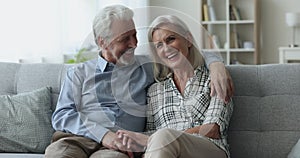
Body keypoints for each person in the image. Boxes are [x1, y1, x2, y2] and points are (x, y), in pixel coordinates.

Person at [45, 5, 233, 158]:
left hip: (117, 149)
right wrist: (105, 135)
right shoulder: (78, 73)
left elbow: (187, 54)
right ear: (103, 42)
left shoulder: (147, 67)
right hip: (77, 138)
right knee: (59, 154)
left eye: (134, 35)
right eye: (125, 39)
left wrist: (216, 64)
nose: (134, 44)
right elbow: (62, 115)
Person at [117, 15, 234, 158]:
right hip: (167, 152)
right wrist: (132, 139)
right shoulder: (155, 91)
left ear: (188, 39)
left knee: (163, 136)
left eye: (171, 39)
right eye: (159, 45)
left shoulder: (215, 78)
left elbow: (212, 129)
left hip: (210, 149)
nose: (166, 49)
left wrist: (157, 139)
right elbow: (152, 132)